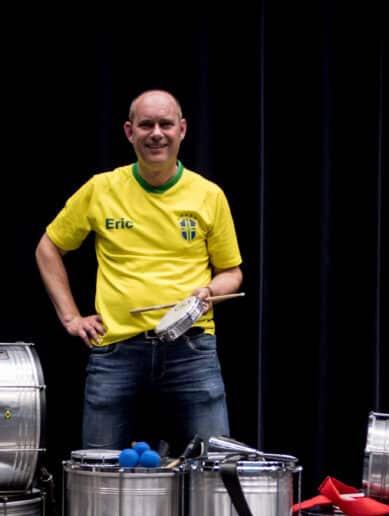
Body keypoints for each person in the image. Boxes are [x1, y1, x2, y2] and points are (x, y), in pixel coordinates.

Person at [35, 89, 243, 453]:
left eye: (165, 124)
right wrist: (71, 317)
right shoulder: (101, 188)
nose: (156, 133)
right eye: (146, 125)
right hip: (116, 349)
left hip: (191, 348)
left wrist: (210, 291)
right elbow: (48, 248)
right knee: (98, 466)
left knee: (214, 463)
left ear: (182, 130)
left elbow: (231, 272)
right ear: (130, 132)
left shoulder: (209, 195)